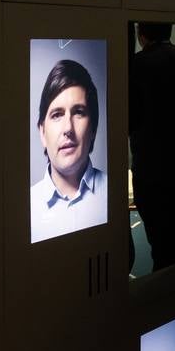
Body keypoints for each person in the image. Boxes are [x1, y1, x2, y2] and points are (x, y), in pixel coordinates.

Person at [31, 59, 109, 242]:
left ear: (93, 129)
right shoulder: (26, 206)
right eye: (57, 115)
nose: (68, 128)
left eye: (79, 112)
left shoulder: (112, 192)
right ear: (42, 132)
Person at [129, 22, 175, 270]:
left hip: (149, 167)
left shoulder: (136, 64)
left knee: (160, 243)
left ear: (141, 34)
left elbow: (129, 115)